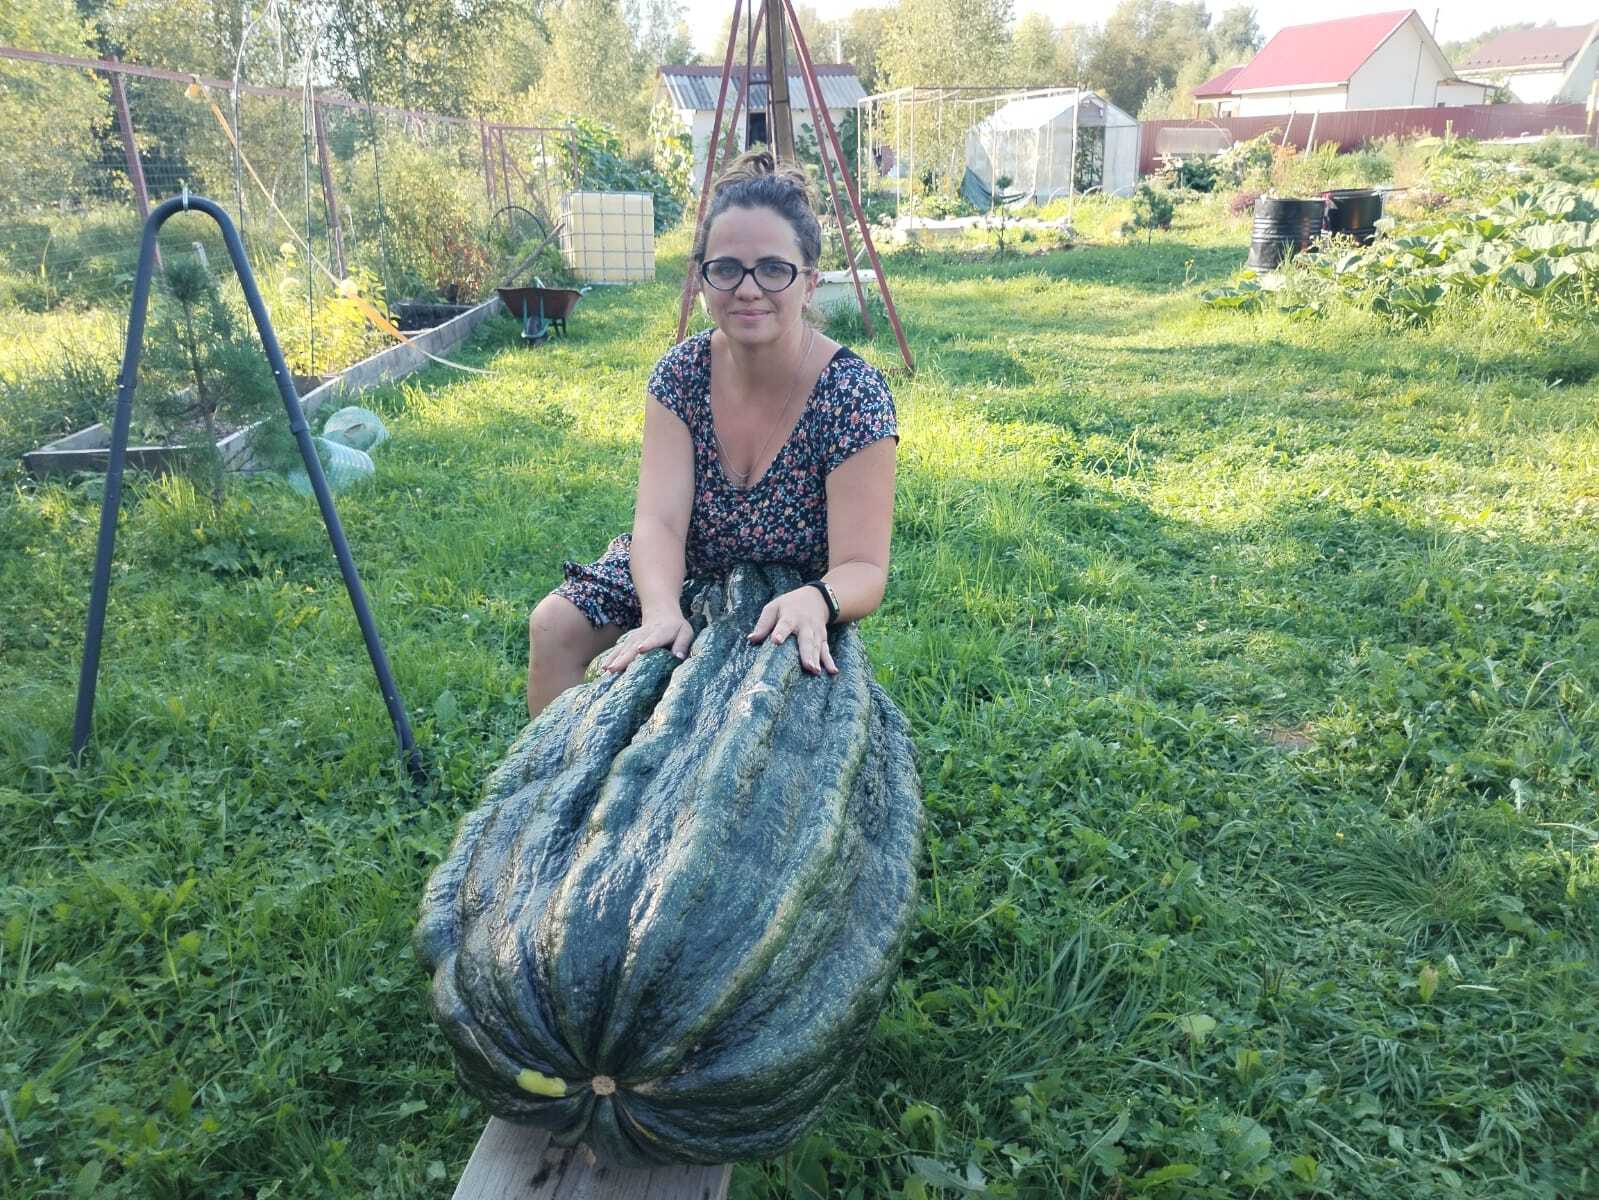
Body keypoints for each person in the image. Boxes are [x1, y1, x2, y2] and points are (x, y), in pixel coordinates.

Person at [525, 149, 899, 720]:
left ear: (809, 283)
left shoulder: (853, 394)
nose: (748, 289)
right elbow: (659, 522)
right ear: (703, 280)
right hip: (679, 567)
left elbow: (864, 567)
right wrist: (660, 610)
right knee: (553, 625)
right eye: (726, 269)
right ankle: (557, 786)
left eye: (773, 269)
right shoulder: (680, 374)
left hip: (784, 592)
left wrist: (818, 598)